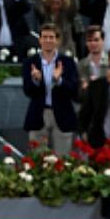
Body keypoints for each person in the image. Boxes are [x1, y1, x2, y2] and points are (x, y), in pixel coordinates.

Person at [22, 23, 79, 154]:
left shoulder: (68, 62)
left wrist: (59, 80)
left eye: (51, 37)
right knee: (37, 161)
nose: (48, 40)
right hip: (38, 115)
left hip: (63, 115)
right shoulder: (30, 62)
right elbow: (27, 90)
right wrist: (36, 80)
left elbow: (73, 90)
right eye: (45, 37)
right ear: (40, 40)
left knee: (63, 161)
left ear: (57, 40)